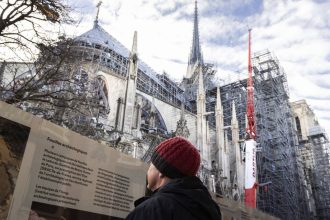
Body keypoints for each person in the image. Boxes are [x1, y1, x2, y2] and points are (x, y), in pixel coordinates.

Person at [125, 136, 221, 220]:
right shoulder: (209, 211)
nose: (147, 169)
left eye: (151, 164)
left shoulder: (151, 210)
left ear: (161, 171)